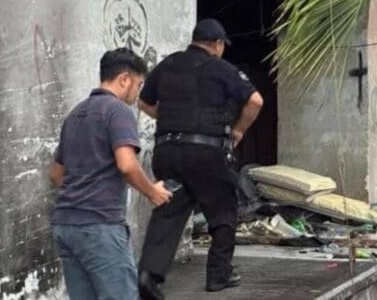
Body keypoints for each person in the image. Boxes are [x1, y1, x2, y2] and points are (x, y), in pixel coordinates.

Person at [136, 18, 263, 297]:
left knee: (168, 211)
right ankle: (219, 275)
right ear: (217, 44)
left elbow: (144, 101)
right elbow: (255, 101)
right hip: (206, 152)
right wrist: (239, 131)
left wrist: (169, 120)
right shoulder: (220, 68)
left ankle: (148, 275)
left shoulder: (167, 65)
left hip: (167, 151)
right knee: (222, 207)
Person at [48, 48, 173, 299]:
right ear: (124, 79)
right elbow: (126, 164)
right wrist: (152, 191)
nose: (138, 92)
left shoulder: (75, 114)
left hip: (66, 226)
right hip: (99, 227)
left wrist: (81, 194)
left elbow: (56, 173)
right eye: (139, 84)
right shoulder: (117, 110)